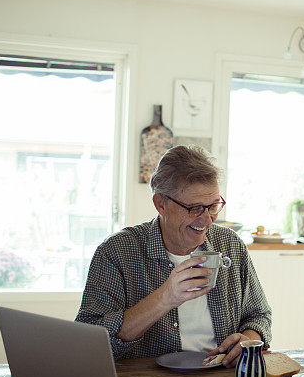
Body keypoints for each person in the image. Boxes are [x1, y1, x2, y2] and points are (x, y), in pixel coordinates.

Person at [76, 145, 271, 365]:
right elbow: (89, 341)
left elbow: (259, 316)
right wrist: (164, 298)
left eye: (213, 205)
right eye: (195, 208)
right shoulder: (116, 252)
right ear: (161, 204)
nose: (207, 220)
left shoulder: (231, 245)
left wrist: (249, 340)